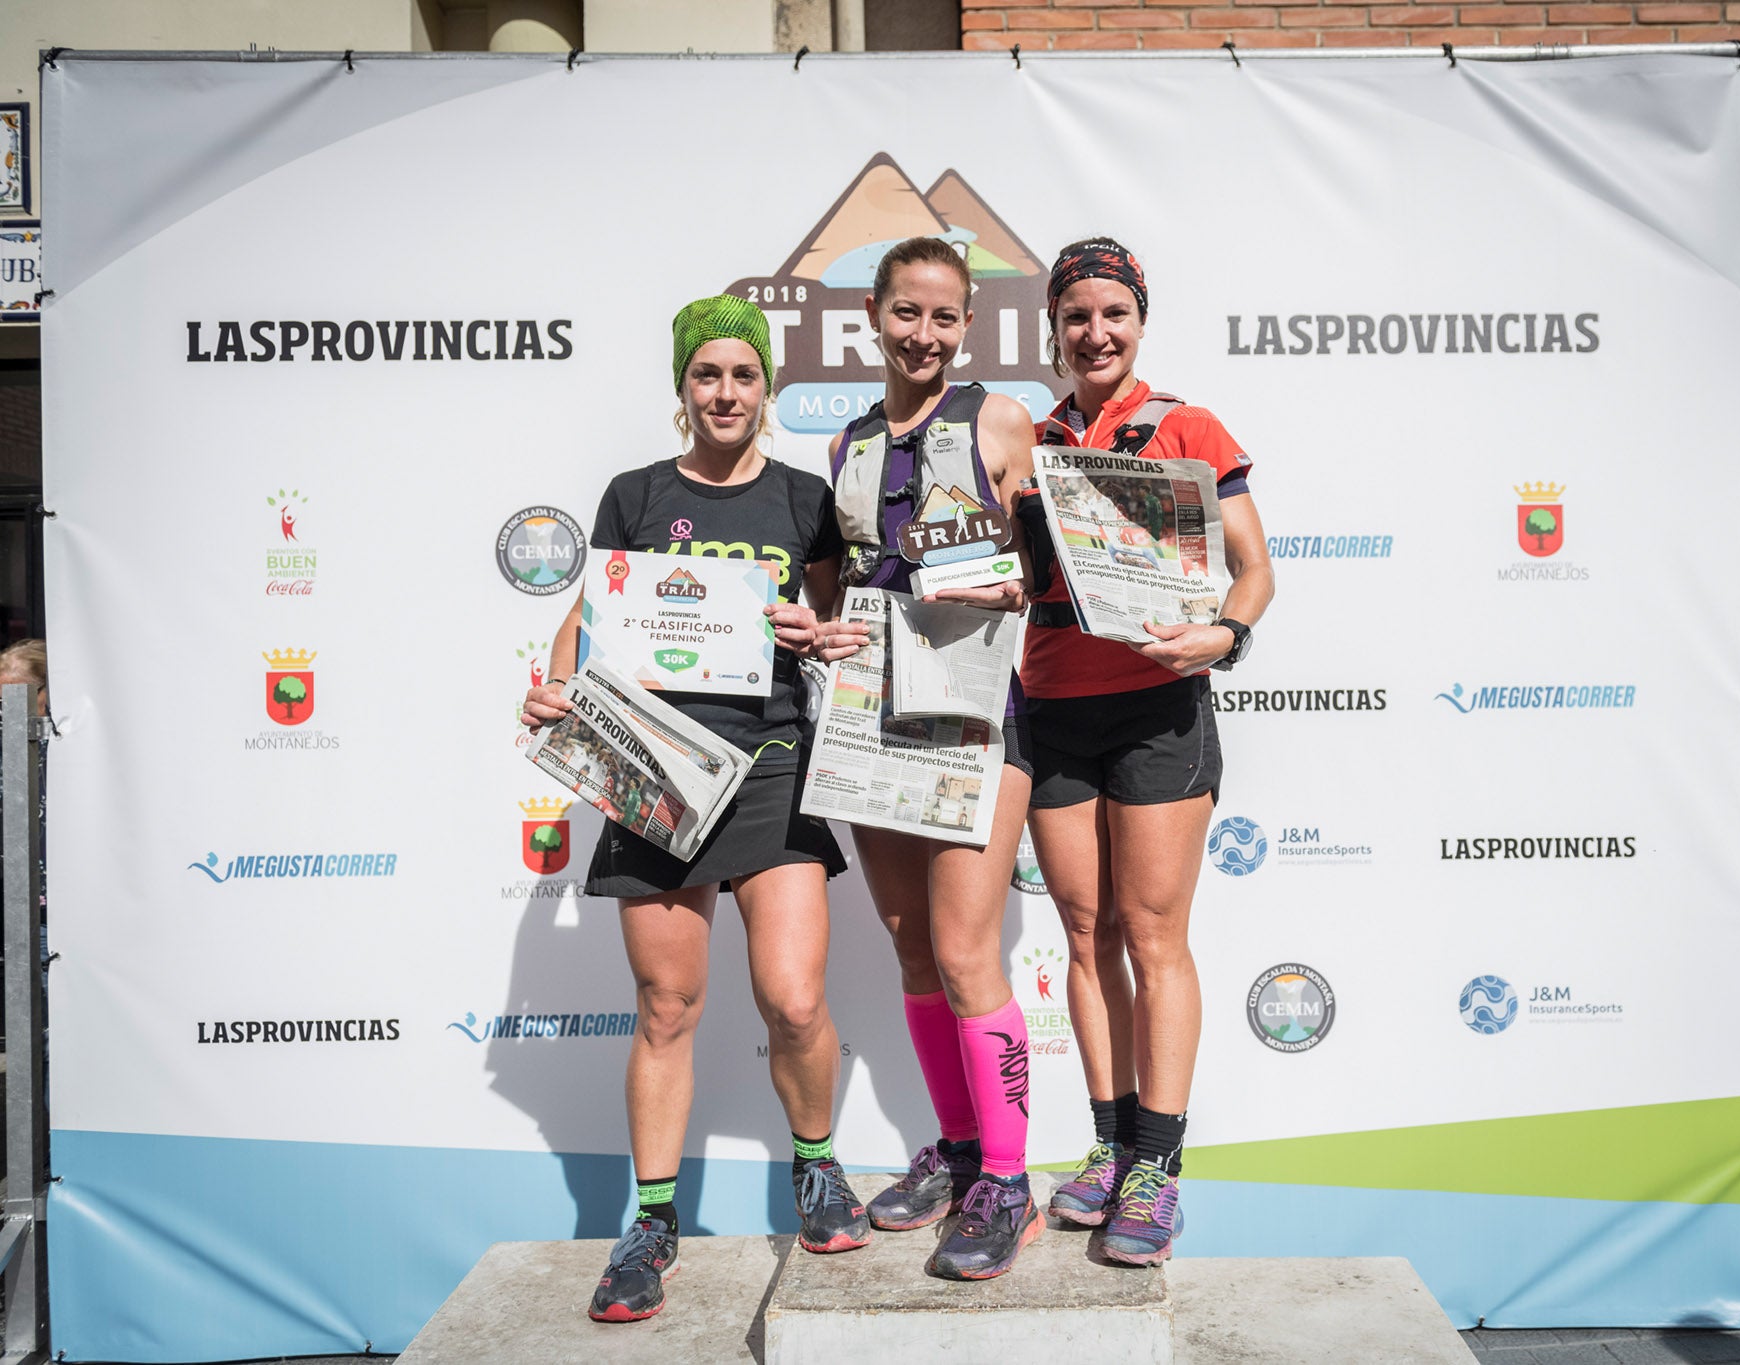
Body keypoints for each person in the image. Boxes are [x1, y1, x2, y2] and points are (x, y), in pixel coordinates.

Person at [520, 296, 864, 1323]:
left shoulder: (805, 499)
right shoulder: (634, 493)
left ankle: (816, 1168)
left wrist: (819, 630)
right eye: (707, 375)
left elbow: (840, 617)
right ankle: (654, 1220)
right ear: (684, 387)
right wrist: (554, 689)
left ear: (766, 389)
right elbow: (587, 616)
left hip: (769, 760)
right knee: (667, 1009)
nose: (725, 393)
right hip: (655, 766)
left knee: (793, 998)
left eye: (743, 376)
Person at [1019, 238, 1275, 1266]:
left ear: (1139, 321)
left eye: (1111, 314)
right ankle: (1109, 1142)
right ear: (1055, 327)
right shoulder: (1029, 438)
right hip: (1051, 705)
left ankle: (1157, 1169)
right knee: (1084, 935)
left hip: (1158, 708)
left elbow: (1253, 569)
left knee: (1151, 934)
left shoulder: (1186, 425)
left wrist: (1223, 635)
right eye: (1075, 316)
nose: (1094, 333)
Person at [809, 236, 1042, 1280]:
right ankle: (954, 1157)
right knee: (912, 953)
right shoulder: (846, 443)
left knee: (963, 952)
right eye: (908, 313)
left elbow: (1055, 565)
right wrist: (811, 627)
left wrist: (1013, 585)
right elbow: (837, 592)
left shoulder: (997, 419)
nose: (925, 334)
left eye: (946, 318)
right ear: (874, 312)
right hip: (873, 718)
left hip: (979, 710)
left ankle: (1007, 1179)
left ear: (967, 327)